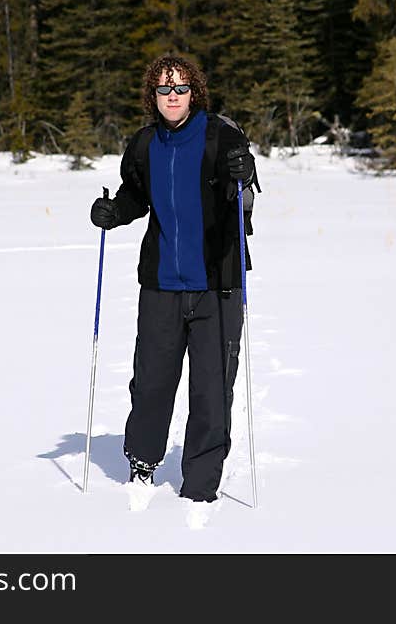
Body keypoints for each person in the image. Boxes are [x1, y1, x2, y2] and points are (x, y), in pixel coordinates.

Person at [89, 55, 258, 503]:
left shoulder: (221, 135)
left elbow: (239, 177)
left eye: (180, 88)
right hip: (161, 286)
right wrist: (113, 213)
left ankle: (200, 486)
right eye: (164, 90)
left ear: (194, 91)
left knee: (211, 389)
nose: (172, 97)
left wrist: (244, 172)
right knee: (151, 383)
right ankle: (142, 463)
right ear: (153, 95)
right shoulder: (145, 144)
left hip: (216, 285)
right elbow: (134, 196)